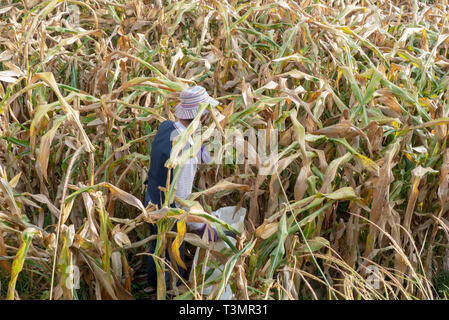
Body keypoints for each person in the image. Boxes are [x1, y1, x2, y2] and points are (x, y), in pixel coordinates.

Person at [144, 85, 219, 290]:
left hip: (150, 199)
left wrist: (199, 148)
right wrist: (206, 227)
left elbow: (181, 142)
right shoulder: (187, 155)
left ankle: (152, 284)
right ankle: (169, 290)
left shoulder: (166, 127)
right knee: (171, 252)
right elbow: (182, 199)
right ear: (201, 117)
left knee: (155, 245)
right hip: (169, 211)